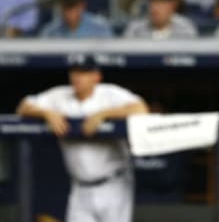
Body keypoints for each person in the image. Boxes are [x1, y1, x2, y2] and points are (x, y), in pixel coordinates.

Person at [16, 54, 149, 222]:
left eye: (84, 72)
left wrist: (104, 114)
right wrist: (45, 112)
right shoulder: (59, 96)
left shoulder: (110, 94)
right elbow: (22, 107)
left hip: (113, 184)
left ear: (96, 76)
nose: (77, 77)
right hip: (79, 187)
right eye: (74, 72)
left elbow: (141, 109)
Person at [39, 0, 113, 38]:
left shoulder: (100, 28)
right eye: (64, 8)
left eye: (71, 7)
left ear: (81, 6)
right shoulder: (50, 31)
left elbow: (112, 56)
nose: (67, 13)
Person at [123, 0, 197, 39]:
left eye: (160, 3)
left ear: (172, 6)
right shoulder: (135, 28)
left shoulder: (185, 27)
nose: (154, 7)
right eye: (152, 2)